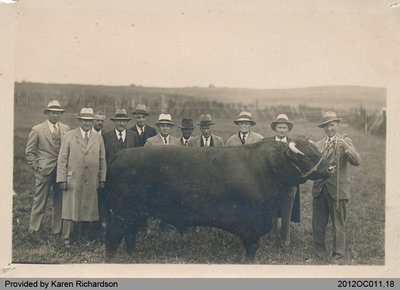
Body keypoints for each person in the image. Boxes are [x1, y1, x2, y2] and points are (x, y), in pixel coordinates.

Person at [312, 111, 361, 264]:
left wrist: (346, 146)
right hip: (320, 189)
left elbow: (357, 160)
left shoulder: (345, 142)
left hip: (338, 190)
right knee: (318, 224)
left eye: (332, 125)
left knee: (338, 224)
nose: (329, 128)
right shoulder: (319, 144)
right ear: (323, 128)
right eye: (326, 126)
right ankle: (319, 254)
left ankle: (338, 256)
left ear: (337, 125)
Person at [57, 108, 106, 245]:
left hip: (91, 179)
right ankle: (66, 238)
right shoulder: (70, 136)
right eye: (84, 120)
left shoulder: (98, 137)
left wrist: (101, 178)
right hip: (73, 179)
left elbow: (102, 159)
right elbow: (62, 159)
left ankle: (84, 238)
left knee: (88, 208)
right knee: (69, 208)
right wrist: (62, 179)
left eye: (90, 121)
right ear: (79, 121)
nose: (87, 123)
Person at [25, 100, 70, 235]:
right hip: (44, 171)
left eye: (58, 113)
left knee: (60, 201)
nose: (55, 115)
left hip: (61, 171)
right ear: (47, 113)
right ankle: (34, 229)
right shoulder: (37, 129)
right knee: (40, 201)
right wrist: (37, 168)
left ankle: (56, 230)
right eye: (53, 113)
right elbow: (29, 152)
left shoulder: (65, 129)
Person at [265, 114, 299, 245]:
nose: (282, 130)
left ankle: (286, 240)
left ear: (288, 129)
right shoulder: (266, 143)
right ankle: (272, 237)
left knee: (286, 213)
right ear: (275, 128)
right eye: (279, 127)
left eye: (284, 127)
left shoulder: (293, 144)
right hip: (271, 186)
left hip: (288, 185)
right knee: (272, 211)